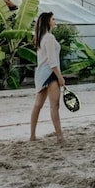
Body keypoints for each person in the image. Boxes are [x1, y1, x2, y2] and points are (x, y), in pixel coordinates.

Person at [30, 11, 65, 144]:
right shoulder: (49, 38)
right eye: (53, 19)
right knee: (54, 106)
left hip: (41, 74)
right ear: (48, 22)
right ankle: (59, 136)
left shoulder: (41, 37)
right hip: (50, 74)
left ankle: (32, 135)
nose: (54, 21)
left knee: (38, 105)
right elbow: (52, 61)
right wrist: (60, 77)